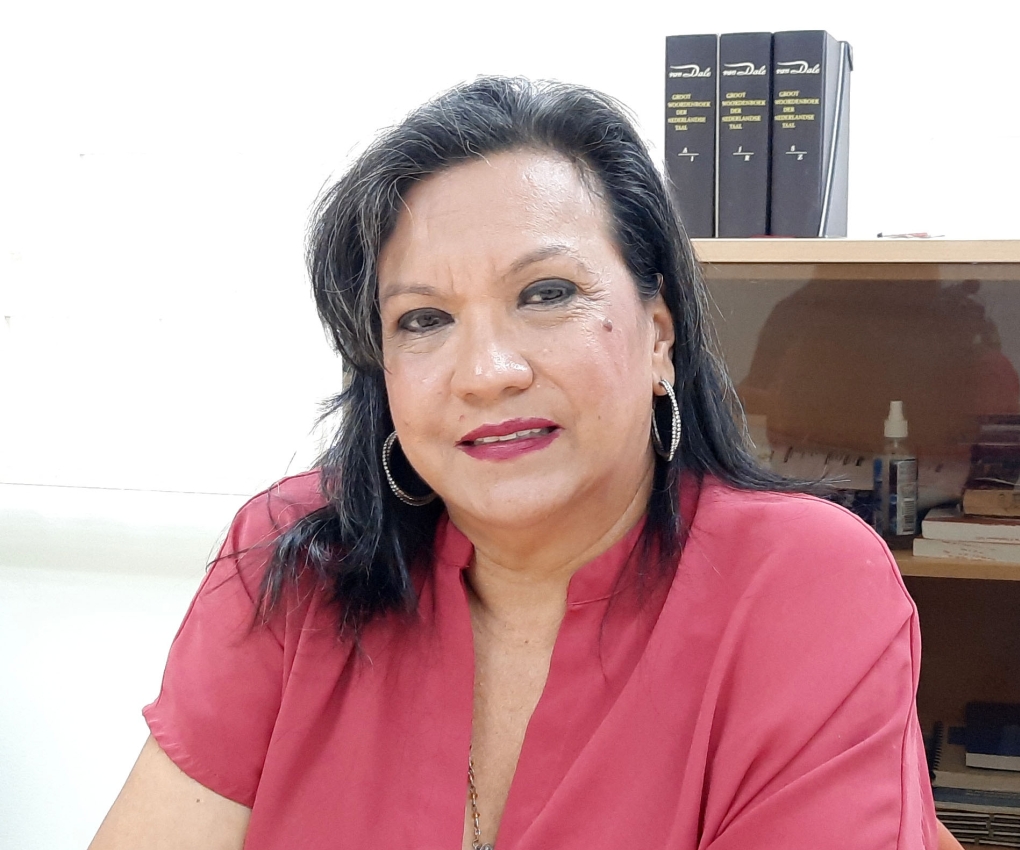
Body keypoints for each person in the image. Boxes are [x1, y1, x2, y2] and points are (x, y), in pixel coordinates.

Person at [90, 76, 953, 850]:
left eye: (547, 294)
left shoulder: (801, 583)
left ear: (659, 334)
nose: (486, 372)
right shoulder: (294, 553)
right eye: (424, 320)